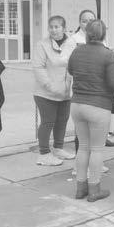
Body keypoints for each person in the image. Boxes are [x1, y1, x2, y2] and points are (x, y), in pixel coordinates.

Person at [67, 20, 114, 202]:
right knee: (97, 149)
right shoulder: (108, 55)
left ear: (87, 34)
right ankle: (94, 189)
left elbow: (71, 70)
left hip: (77, 104)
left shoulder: (77, 51)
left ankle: (80, 188)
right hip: (98, 106)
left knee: (83, 147)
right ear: (104, 35)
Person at [32, 15, 76, 166]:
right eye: (51, 27)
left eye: (57, 27)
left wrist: (69, 88)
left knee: (62, 121)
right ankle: (44, 154)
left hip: (66, 92)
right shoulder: (41, 45)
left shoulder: (71, 43)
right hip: (45, 93)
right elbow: (38, 68)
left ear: (64, 28)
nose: (53, 30)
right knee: (48, 122)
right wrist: (50, 86)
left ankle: (58, 148)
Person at [72, 9, 114, 149]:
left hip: (91, 94)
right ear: (79, 23)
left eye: (91, 20)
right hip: (88, 93)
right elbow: (71, 67)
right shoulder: (73, 40)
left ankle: (102, 138)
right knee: (90, 145)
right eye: (84, 21)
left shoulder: (102, 43)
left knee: (88, 143)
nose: (88, 24)